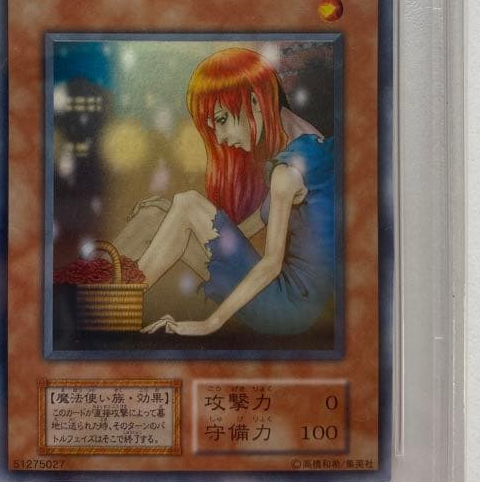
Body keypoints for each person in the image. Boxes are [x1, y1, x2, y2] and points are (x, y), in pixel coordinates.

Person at [113, 46, 336, 337]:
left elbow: (271, 264)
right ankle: (93, 290)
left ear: (255, 100)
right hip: (292, 299)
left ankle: (113, 305)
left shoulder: (288, 172)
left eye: (221, 120)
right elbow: (252, 226)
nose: (219, 138)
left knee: (186, 203)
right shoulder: (307, 143)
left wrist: (210, 323)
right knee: (157, 215)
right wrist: (176, 221)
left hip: (287, 307)